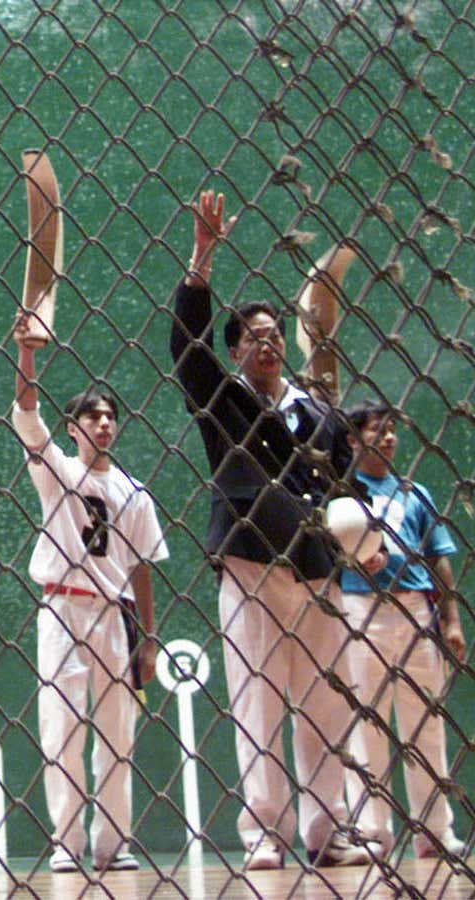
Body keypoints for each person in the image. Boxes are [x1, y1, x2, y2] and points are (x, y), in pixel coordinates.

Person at [168, 191, 380, 870]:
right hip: (253, 566)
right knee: (257, 705)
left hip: (319, 570)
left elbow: (348, 488)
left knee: (325, 707)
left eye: (273, 333)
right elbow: (185, 346)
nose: (266, 342)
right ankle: (264, 834)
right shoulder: (221, 399)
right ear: (236, 352)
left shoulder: (321, 414)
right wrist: (202, 258)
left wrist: (366, 548)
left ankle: (328, 833)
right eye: (253, 336)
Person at [10, 314, 168, 873]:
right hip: (61, 611)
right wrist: (27, 354)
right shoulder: (56, 470)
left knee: (117, 737)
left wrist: (149, 641)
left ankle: (113, 844)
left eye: (109, 417)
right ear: (73, 429)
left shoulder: (136, 494)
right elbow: (27, 417)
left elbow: (145, 568)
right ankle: (66, 843)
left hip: (116, 620)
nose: (103, 423)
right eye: (91, 417)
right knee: (62, 731)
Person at [336, 402, 466, 858]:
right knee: (366, 723)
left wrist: (451, 621)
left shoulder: (416, 492)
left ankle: (436, 831)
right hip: (359, 610)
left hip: (416, 612)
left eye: (392, 431)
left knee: (426, 724)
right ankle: (372, 833)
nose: (388, 438)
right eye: (377, 431)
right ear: (353, 440)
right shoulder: (340, 494)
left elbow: (439, 558)